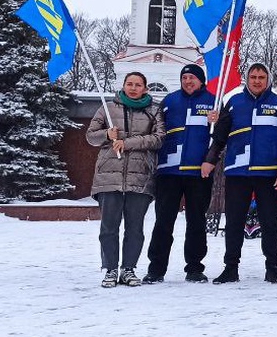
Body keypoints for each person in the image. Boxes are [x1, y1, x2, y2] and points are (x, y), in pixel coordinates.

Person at [203, 63, 277, 284]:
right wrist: (209, 160)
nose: (257, 80)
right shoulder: (233, 103)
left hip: (268, 175)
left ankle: (272, 267)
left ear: (268, 80)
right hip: (238, 172)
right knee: (234, 222)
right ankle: (230, 268)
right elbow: (220, 137)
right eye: (253, 76)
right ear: (247, 79)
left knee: (270, 222)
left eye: (261, 77)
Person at [87, 72, 166, 288]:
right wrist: (107, 135)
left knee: (135, 227)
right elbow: (90, 136)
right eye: (129, 84)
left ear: (145, 88)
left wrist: (127, 143)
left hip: (140, 177)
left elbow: (159, 138)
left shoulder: (154, 110)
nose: (133, 88)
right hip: (108, 177)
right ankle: (110, 269)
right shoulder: (108, 108)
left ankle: (128, 268)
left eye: (138, 84)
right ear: (123, 86)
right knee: (109, 227)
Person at [145, 64, 214, 284]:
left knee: (196, 222)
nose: (188, 81)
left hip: (199, 173)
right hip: (169, 171)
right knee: (164, 221)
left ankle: (194, 268)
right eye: (184, 77)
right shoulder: (169, 101)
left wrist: (211, 160)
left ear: (201, 80)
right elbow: (154, 130)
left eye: (192, 77)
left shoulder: (214, 100)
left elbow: (221, 138)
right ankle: (156, 269)